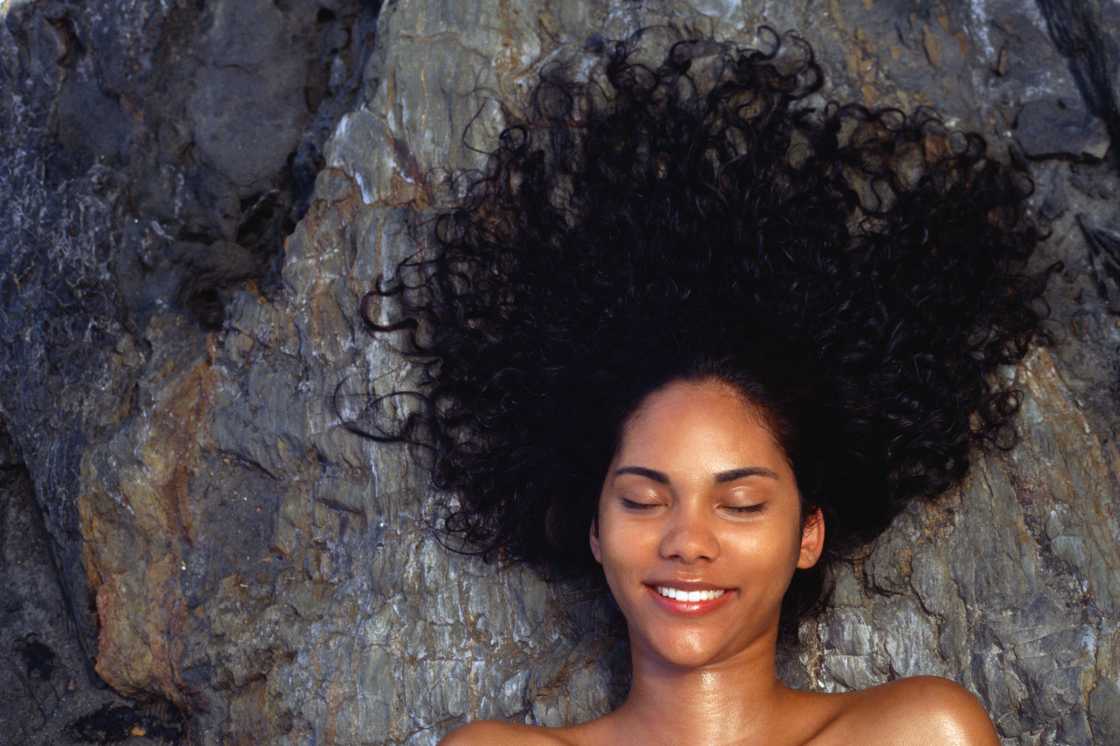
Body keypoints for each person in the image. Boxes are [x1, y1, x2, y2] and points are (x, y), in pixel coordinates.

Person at [354, 25, 1054, 745]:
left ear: (808, 534)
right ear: (597, 530)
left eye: (742, 504)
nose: (688, 541)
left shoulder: (921, 733)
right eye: (643, 499)